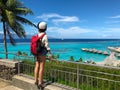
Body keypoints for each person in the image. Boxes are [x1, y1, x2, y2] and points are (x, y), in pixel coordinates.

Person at [34, 21, 51, 88]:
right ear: (45, 28)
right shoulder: (45, 36)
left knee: (37, 66)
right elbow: (47, 45)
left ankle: (35, 80)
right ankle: (40, 83)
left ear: (38, 28)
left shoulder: (37, 35)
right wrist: (49, 53)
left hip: (36, 52)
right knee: (41, 67)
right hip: (42, 53)